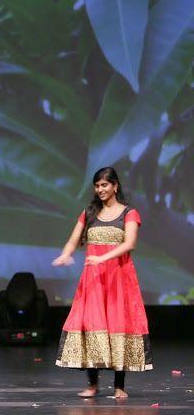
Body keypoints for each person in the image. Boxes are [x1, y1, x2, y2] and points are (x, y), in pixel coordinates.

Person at [52, 167, 151, 398]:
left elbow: (130, 243)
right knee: (92, 325)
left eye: (104, 185)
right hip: (94, 280)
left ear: (115, 186)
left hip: (119, 279)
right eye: (97, 186)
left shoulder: (129, 213)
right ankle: (92, 385)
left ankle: (119, 386)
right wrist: (66, 254)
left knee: (119, 326)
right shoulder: (89, 213)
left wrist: (102, 258)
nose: (100, 189)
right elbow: (73, 240)